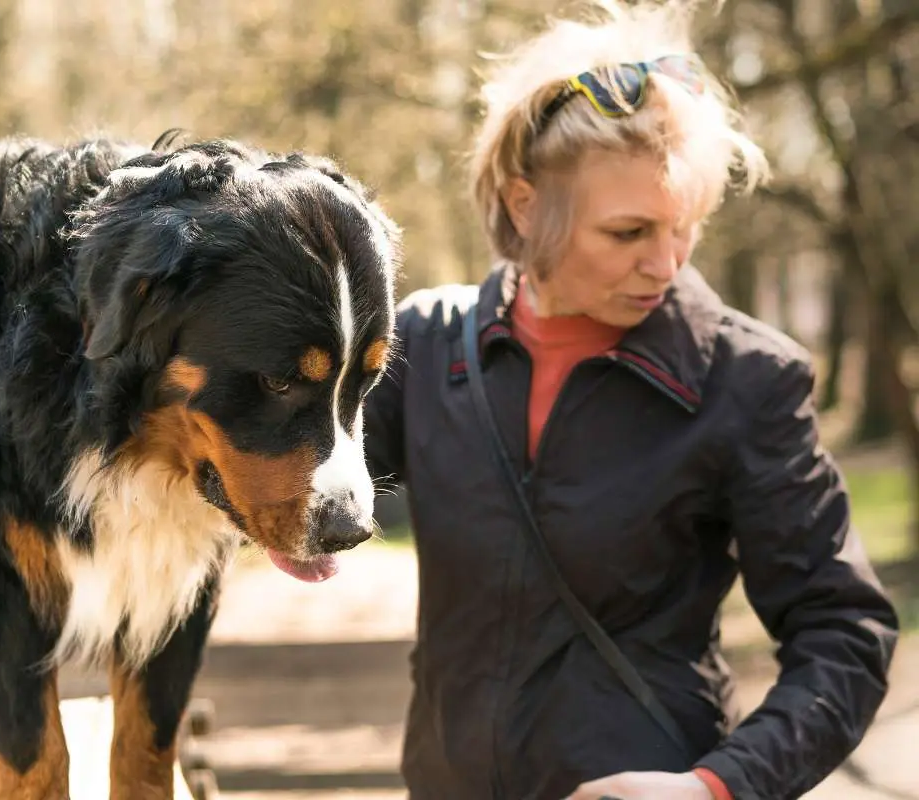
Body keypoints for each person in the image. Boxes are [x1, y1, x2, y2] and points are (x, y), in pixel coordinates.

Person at [361, 2, 899, 798]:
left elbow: (844, 635)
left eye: (684, 227)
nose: (666, 263)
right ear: (524, 205)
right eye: (629, 233)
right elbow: (292, 485)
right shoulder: (423, 344)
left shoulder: (748, 380)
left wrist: (715, 788)